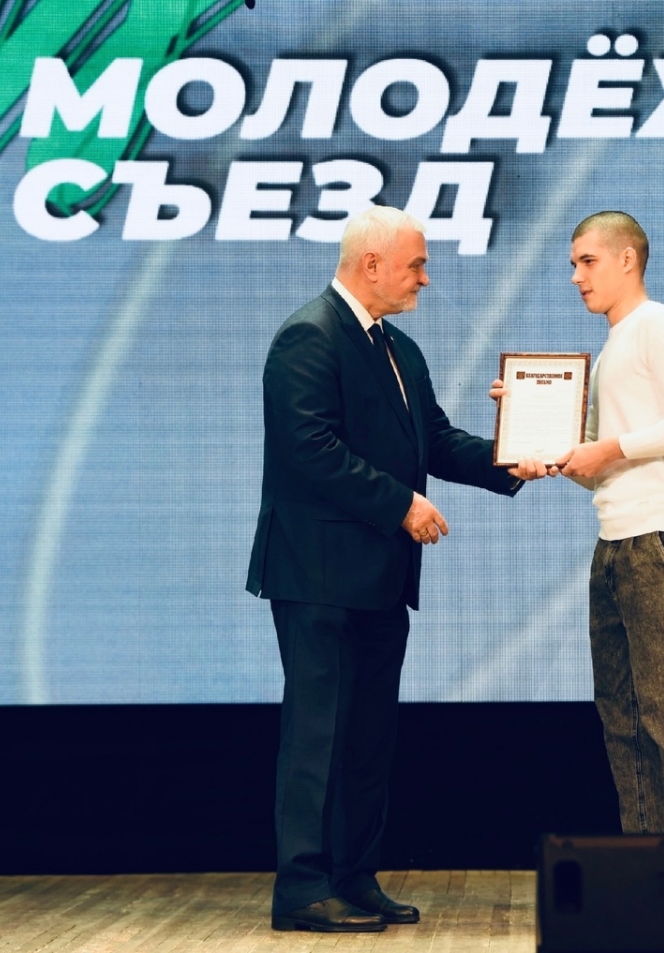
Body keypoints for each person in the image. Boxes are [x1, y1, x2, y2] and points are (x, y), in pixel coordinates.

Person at [246, 206, 547, 932]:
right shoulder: (308, 335)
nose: (425, 277)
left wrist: (512, 454)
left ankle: (353, 878)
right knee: (318, 734)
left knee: (368, 738)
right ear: (371, 263)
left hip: (379, 577)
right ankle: (302, 888)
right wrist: (401, 504)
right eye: (416, 264)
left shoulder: (398, 348)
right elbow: (310, 449)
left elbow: (433, 440)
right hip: (317, 576)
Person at [558, 211, 664, 834]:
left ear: (627, 258)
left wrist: (610, 448)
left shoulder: (660, 324)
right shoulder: (613, 348)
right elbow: (598, 464)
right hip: (616, 541)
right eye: (573, 265)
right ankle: (649, 866)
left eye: (587, 261)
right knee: (623, 717)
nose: (576, 277)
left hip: (661, 540)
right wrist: (540, 433)